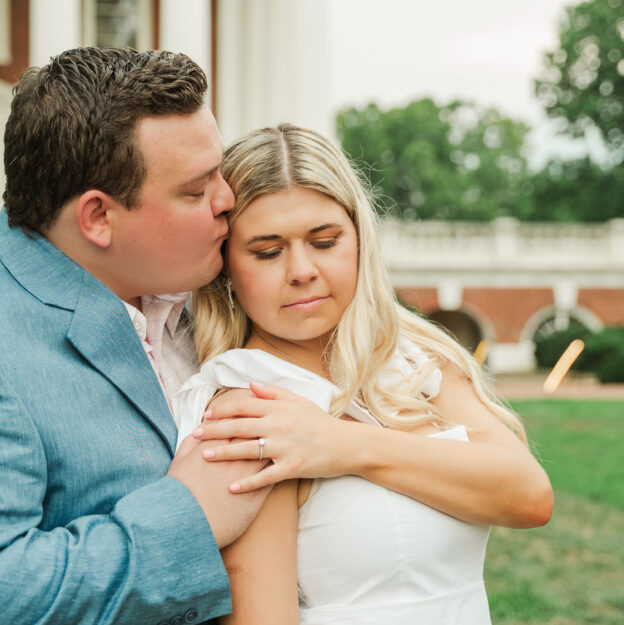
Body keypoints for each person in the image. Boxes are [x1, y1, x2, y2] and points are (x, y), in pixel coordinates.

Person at [0, 48, 269, 625]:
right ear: (97, 217)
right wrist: (188, 517)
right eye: (195, 191)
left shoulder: (208, 288)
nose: (228, 200)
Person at [171, 124, 554, 624]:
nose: (302, 269)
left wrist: (344, 446)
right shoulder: (250, 405)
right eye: (268, 251)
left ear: (358, 238)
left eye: (325, 241)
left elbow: (529, 495)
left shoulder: (413, 357)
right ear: (226, 269)